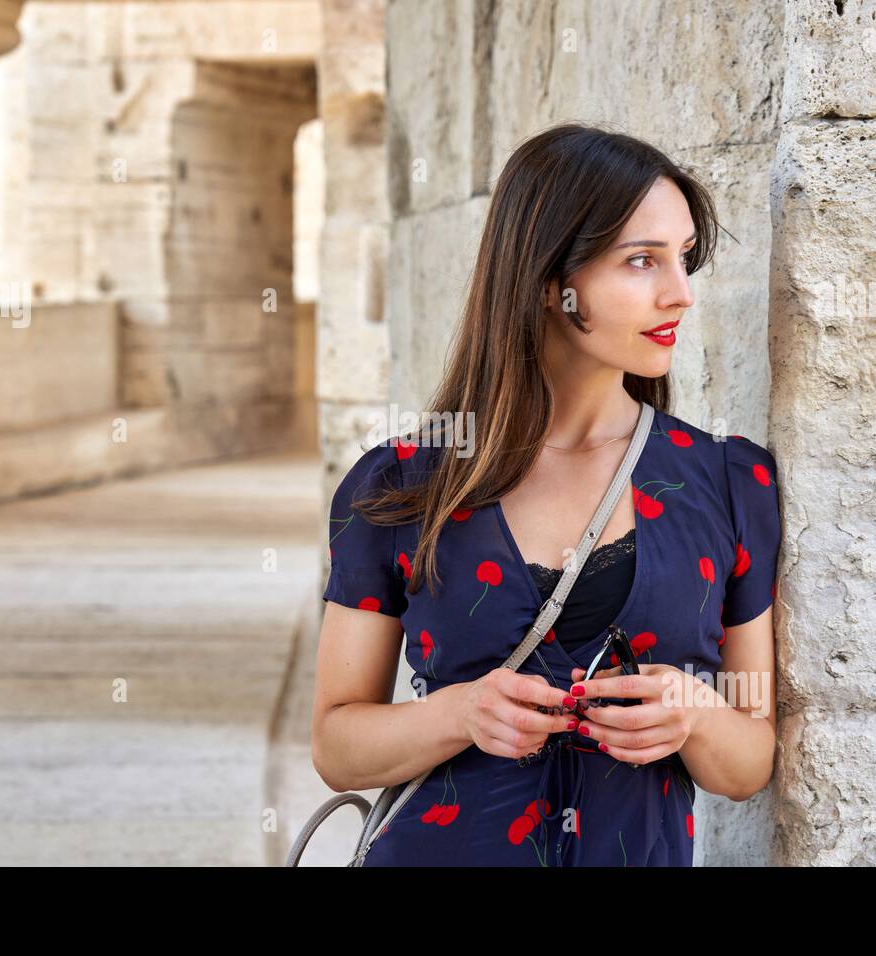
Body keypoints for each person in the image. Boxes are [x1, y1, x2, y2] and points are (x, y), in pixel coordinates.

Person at [311, 123, 782, 866]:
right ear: (545, 279)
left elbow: (750, 761)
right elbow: (338, 744)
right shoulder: (401, 485)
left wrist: (692, 715)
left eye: (684, 259)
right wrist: (460, 712)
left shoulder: (730, 483)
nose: (680, 294)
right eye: (641, 261)